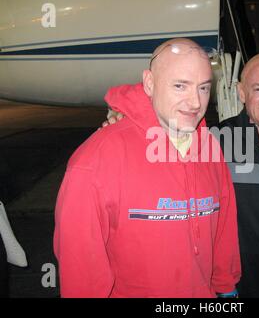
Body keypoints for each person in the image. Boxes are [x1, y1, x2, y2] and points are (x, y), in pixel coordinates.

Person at [106, 52, 259, 298]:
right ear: (241, 92)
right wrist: (122, 121)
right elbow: (158, 138)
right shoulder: (212, 143)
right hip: (232, 291)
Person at [53, 38, 241, 298]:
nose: (196, 102)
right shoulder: (95, 161)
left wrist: (226, 286)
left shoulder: (210, 147)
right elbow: (81, 268)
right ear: (150, 83)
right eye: (180, 86)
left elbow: (223, 226)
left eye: (204, 88)